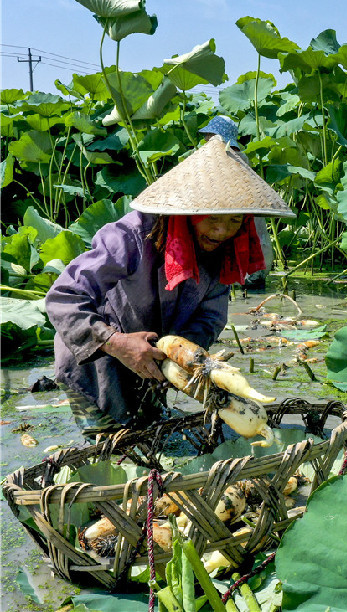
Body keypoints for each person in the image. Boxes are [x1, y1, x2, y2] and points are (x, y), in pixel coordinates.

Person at [46, 135, 295, 437]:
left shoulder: (225, 249)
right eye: (213, 218)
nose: (222, 230)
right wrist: (117, 343)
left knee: (151, 438)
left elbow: (210, 316)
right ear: (189, 212)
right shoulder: (129, 236)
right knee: (111, 448)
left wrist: (182, 356)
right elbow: (64, 297)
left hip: (156, 366)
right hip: (96, 360)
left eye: (234, 219)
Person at [199, 115, 274, 290]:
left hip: (237, 224)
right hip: (251, 226)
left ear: (217, 137)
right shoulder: (241, 157)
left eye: (209, 136)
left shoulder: (225, 158)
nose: (206, 140)